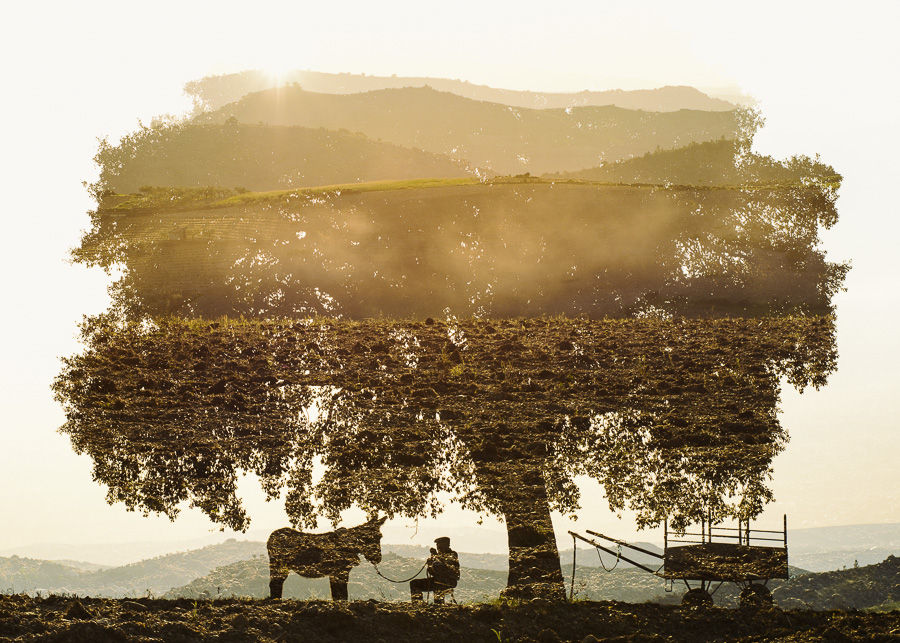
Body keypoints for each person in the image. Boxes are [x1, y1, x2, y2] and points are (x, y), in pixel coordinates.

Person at [410, 536, 460, 603]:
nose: (438, 548)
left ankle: (438, 607)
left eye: (440, 546)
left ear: (446, 545)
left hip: (447, 582)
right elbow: (433, 572)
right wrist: (430, 564)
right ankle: (417, 603)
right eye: (437, 546)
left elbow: (445, 565)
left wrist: (435, 557)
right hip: (437, 581)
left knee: (438, 598)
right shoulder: (439, 556)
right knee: (414, 583)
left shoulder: (452, 554)